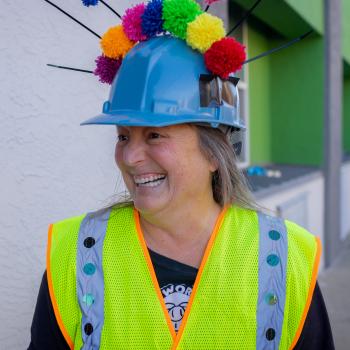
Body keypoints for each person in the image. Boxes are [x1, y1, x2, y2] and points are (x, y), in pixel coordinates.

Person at [29, 0, 334, 349]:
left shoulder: (285, 257)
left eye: (155, 134)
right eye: (123, 136)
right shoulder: (76, 253)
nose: (129, 156)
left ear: (214, 153)